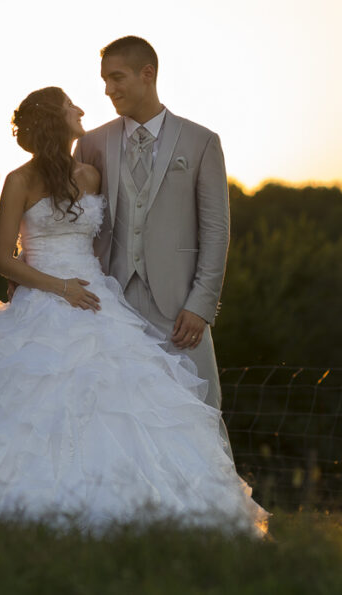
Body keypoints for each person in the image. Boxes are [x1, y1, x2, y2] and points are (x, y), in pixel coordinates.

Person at [0, 86, 266, 536]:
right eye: (70, 106)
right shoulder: (18, 180)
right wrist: (59, 287)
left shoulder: (91, 176)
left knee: (122, 401)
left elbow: (103, 239)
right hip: (46, 298)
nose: (81, 109)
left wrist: (87, 286)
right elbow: (0, 258)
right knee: (30, 404)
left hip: (97, 299)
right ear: (56, 120)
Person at [74, 36, 231, 438]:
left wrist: (201, 305)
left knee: (199, 414)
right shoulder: (91, 144)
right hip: (109, 307)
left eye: (117, 78)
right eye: (105, 80)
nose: (109, 90)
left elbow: (216, 231)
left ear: (148, 74)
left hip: (180, 310)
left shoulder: (201, 142)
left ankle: (207, 503)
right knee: (116, 421)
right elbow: (73, 222)